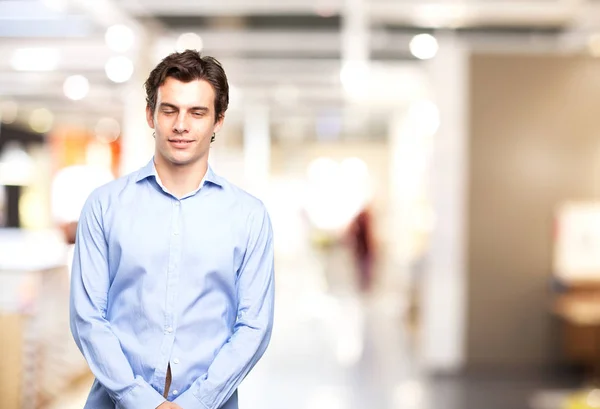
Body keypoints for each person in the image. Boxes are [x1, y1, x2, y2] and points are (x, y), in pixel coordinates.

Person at [69, 50, 275, 409]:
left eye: (197, 112)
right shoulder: (104, 206)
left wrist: (196, 402)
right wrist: (141, 401)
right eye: (170, 110)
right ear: (151, 115)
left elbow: (254, 327)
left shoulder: (249, 217)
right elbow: (87, 318)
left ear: (218, 121)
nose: (182, 125)